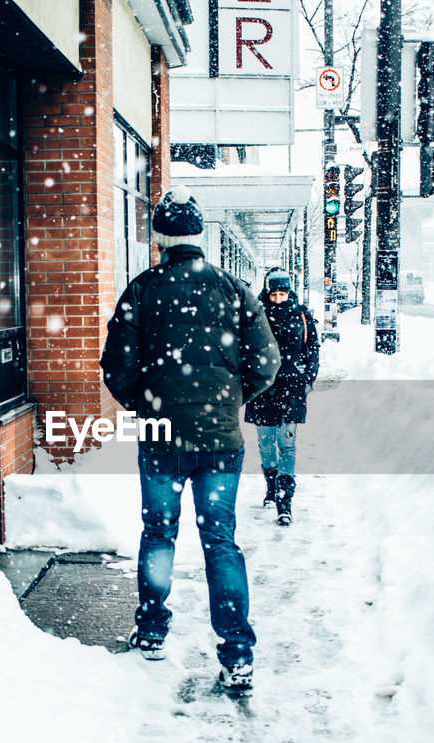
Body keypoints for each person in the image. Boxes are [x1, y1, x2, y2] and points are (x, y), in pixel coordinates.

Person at [100, 187, 279, 691]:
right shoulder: (233, 288)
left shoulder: (143, 290)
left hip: (161, 438)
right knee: (220, 542)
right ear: (199, 236)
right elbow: (267, 362)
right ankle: (237, 653)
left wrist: (147, 401)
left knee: (159, 534)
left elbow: (117, 367)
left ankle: (152, 630)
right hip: (221, 442)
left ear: (158, 238)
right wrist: (230, 398)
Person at [245, 269, 319, 526]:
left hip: (292, 387)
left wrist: (308, 377)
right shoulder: (256, 314)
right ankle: (270, 485)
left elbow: (312, 348)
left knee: (287, 442)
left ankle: (284, 500)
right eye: (274, 293)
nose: (278, 298)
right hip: (264, 388)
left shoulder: (301, 315)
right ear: (267, 291)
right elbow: (244, 348)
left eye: (282, 293)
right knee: (266, 441)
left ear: (289, 292)